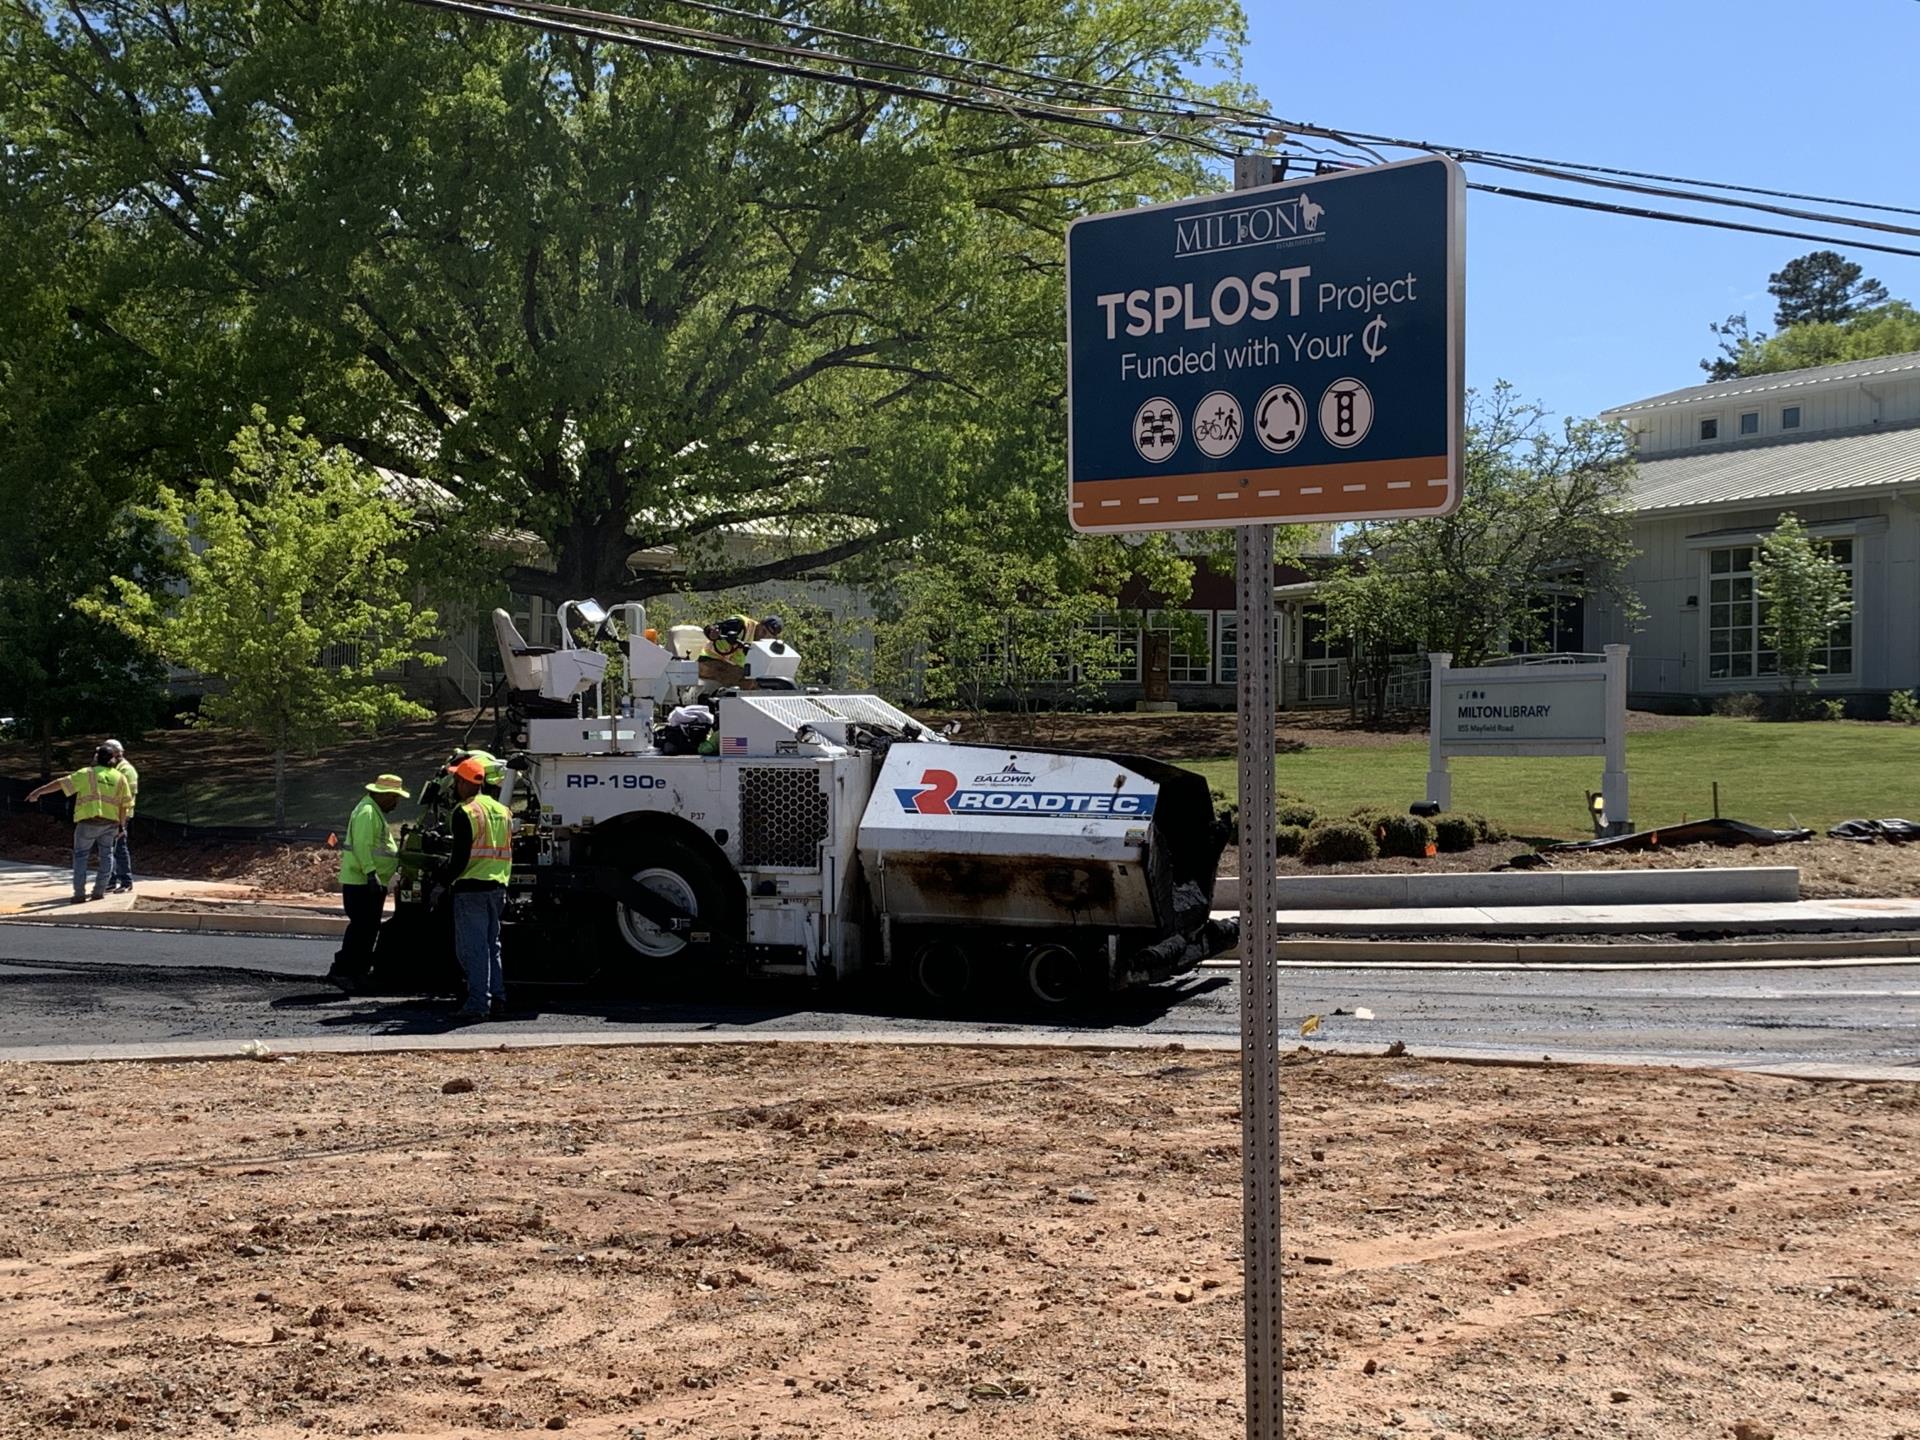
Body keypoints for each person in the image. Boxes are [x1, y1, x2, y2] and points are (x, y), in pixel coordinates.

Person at [327, 773, 410, 992]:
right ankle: (343, 971)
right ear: (384, 795)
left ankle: (358, 972)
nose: (396, 802)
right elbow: (363, 846)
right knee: (361, 929)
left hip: (369, 881)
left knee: (367, 929)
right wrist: (371, 873)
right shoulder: (367, 812)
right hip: (362, 882)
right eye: (394, 797)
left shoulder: (373, 811)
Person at [445, 756, 513, 1020]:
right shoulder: (502, 811)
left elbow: (459, 858)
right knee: (491, 945)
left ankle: (477, 1004)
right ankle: (498, 999)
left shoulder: (465, 812)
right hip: (498, 887)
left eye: (455, 780)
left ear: (463, 782)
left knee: (473, 948)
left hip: (471, 888)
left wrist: (443, 881)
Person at [26, 746, 134, 904]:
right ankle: (99, 891)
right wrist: (122, 826)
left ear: (97, 758)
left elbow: (61, 784)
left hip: (88, 822)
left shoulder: (87, 774)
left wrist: (38, 792)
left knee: (81, 856)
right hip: (110, 823)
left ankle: (79, 894)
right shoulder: (120, 778)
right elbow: (125, 805)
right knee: (107, 855)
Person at [102, 739, 138, 893]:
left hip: (121, 815)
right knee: (109, 848)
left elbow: (126, 797)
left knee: (119, 848)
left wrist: (121, 820)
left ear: (116, 753)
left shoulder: (126, 770)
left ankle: (125, 881)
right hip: (111, 813)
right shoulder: (113, 768)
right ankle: (111, 881)